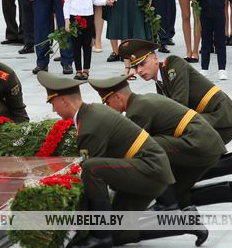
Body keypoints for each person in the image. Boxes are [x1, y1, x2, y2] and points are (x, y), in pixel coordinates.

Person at [36, 72, 207, 247]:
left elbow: (92, 174)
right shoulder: (90, 114)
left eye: (53, 103)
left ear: (64, 101)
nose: (53, 109)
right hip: (147, 168)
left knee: (91, 168)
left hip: (149, 170)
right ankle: (186, 222)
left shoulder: (89, 125)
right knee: (118, 231)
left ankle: (100, 236)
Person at [87, 76, 232, 212]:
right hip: (203, 143)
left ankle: (167, 203)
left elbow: (130, 149)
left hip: (198, 144)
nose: (107, 107)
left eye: (107, 102)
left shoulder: (138, 110)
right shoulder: (142, 100)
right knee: (178, 193)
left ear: (118, 97)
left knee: (149, 149)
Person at [123, 39, 232, 192]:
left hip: (220, 117)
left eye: (142, 64)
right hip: (208, 119)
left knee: (187, 161)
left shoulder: (172, 64)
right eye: (135, 66)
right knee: (185, 160)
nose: (139, 70)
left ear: (155, 58)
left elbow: (179, 106)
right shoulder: (161, 82)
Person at [63, 0, 107, 80]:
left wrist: (105, 2)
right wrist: (67, 21)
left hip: (88, 16)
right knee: (76, 45)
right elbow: (67, 2)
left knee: (87, 44)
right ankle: (78, 70)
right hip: (74, 16)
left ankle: (86, 69)